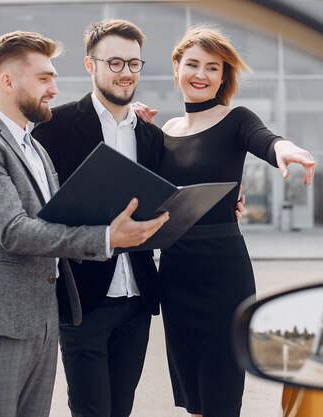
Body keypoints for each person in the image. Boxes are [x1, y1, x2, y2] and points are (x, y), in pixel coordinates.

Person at [0, 30, 168, 417]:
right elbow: (14, 231)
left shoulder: (34, 147)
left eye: (53, 78)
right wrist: (107, 238)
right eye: (44, 78)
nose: (54, 88)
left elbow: (59, 218)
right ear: (7, 80)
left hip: (43, 320)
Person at [32, 19, 247, 417]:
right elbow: (36, 215)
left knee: (122, 409)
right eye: (114, 63)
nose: (125, 72)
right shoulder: (54, 128)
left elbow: (175, 192)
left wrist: (223, 203)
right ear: (90, 65)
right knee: (92, 409)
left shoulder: (152, 136)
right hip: (84, 300)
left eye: (133, 63)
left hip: (138, 300)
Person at [133, 25, 316, 417]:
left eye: (212, 68)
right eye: (193, 64)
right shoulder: (164, 131)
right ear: (176, 67)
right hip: (177, 272)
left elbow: (266, 139)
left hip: (223, 273)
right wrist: (129, 119)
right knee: (194, 396)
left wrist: (286, 149)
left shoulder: (236, 119)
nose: (201, 75)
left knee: (222, 393)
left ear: (223, 76)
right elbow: (147, 194)